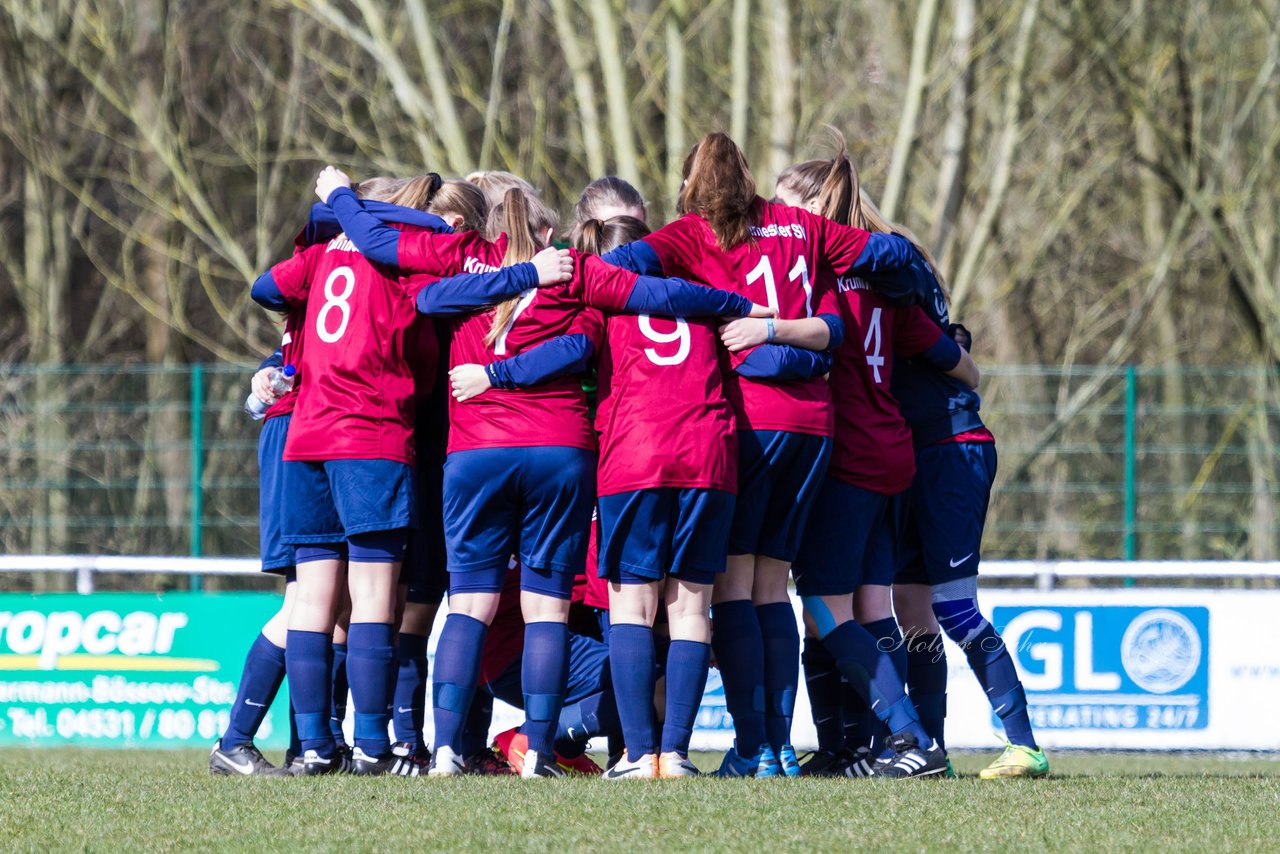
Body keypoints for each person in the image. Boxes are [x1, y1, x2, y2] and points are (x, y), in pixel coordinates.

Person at [604, 131, 922, 777]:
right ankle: (779, 745)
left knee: (733, 587)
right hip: (814, 424)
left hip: (749, 419)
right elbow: (886, 259)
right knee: (775, 586)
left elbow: (619, 268)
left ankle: (755, 747)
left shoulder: (689, 235)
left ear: (689, 184)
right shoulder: (802, 226)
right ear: (747, 175)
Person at [318, 173, 594, 778]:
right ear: (543, 229)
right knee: (546, 609)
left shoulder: (461, 260)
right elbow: (581, 348)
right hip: (558, 448)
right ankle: (541, 752)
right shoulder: (572, 268)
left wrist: (341, 197)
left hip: (476, 453)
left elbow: (420, 294)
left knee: (469, 605)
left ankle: (443, 750)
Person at [776, 138, 979, 779]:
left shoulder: (820, 280)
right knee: (869, 607)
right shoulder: (887, 281)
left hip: (849, 457)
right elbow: (950, 354)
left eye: (786, 211)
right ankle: (855, 749)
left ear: (814, 208)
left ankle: (910, 738)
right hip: (892, 453)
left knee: (822, 608)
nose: (777, 227)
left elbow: (804, 347)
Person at [251, 173, 453, 775]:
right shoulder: (403, 258)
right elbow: (422, 360)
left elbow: (265, 288)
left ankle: (312, 746)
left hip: (307, 437)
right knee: (372, 598)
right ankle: (370, 743)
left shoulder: (320, 252)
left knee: (311, 599)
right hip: (371, 435)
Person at [209, 338, 303, 777]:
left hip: (326, 444)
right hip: (299, 443)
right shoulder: (320, 289)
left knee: (331, 604)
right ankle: (235, 741)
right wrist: (268, 374)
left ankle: (314, 747)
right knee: (303, 604)